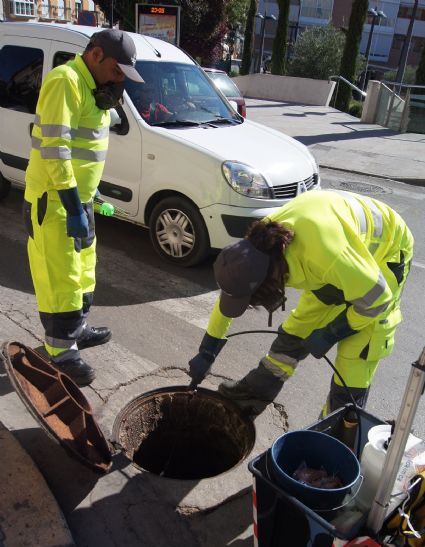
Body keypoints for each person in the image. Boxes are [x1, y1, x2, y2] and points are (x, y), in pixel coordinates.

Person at [188, 190, 414, 417]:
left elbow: (378, 300)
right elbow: (233, 288)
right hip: (333, 257)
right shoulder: (259, 246)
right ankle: (254, 393)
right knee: (297, 330)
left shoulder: (327, 256)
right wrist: (209, 348)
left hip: (386, 253)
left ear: (270, 281)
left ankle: (334, 431)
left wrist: (332, 332)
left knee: (356, 354)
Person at [23, 29, 144, 386]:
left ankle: (76, 329)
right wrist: (73, 204)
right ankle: (60, 351)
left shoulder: (93, 87)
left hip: (80, 197)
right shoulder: (65, 81)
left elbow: (87, 150)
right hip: (55, 197)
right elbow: (56, 148)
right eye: (117, 71)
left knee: (83, 268)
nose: (119, 79)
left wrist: (89, 198)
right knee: (58, 272)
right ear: (95, 55)